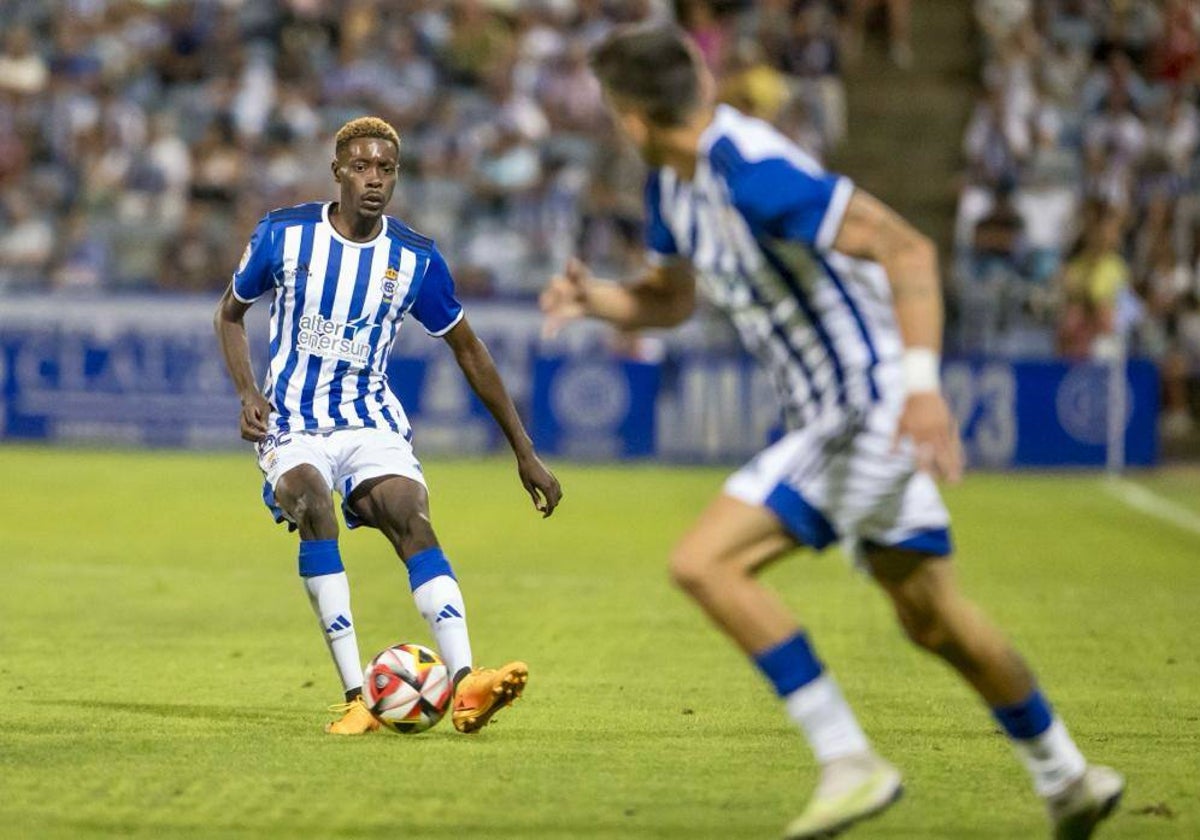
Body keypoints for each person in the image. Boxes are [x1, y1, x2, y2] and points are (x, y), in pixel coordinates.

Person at [539, 24, 1122, 840]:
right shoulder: (671, 188)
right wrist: (599, 298)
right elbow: (672, 299)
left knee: (705, 564)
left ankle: (850, 761)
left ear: (630, 117)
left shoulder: (755, 172)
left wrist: (920, 391)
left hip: (865, 404)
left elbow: (908, 249)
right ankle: (1069, 778)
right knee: (933, 619)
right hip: (837, 412)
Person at [215, 116, 562, 736]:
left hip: (371, 421)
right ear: (338, 173)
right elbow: (230, 315)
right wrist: (248, 391)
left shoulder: (415, 258)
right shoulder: (283, 235)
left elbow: (471, 351)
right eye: (361, 167)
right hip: (294, 423)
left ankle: (466, 685)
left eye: (385, 169)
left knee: (411, 515)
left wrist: (524, 450)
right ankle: (356, 697)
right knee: (312, 502)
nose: (374, 179)